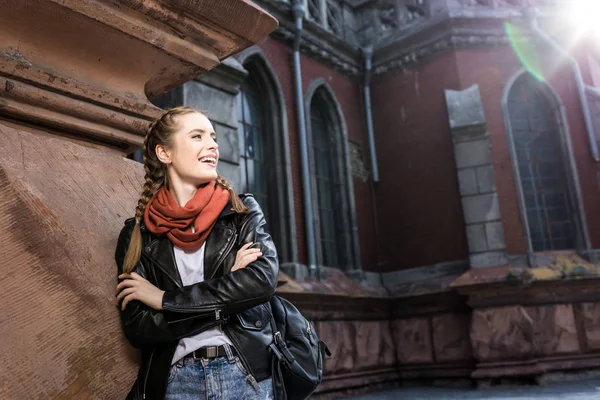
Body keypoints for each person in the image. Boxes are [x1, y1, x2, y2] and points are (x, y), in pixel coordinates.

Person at [114, 106, 278, 400]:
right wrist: (228, 287)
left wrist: (165, 300)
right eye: (197, 136)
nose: (213, 145)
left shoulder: (241, 212)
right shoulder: (137, 235)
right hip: (175, 381)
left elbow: (262, 281)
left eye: (213, 137)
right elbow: (139, 328)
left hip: (244, 374)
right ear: (165, 153)